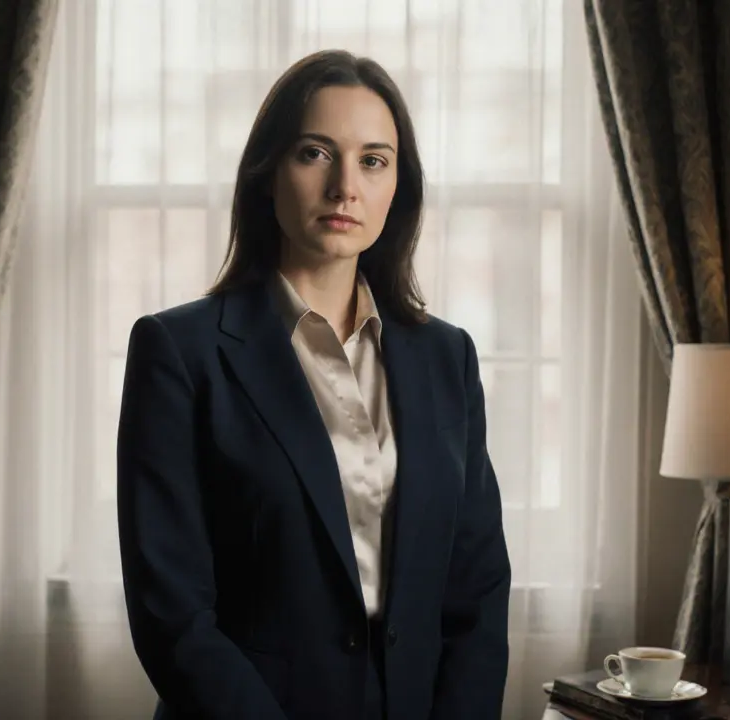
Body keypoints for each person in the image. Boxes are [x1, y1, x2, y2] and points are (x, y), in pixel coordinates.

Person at [116, 49, 511, 720]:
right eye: (314, 154)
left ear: (398, 189)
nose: (345, 188)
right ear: (267, 174)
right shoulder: (178, 353)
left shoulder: (448, 357)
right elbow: (172, 614)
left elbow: (476, 592)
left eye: (373, 160)